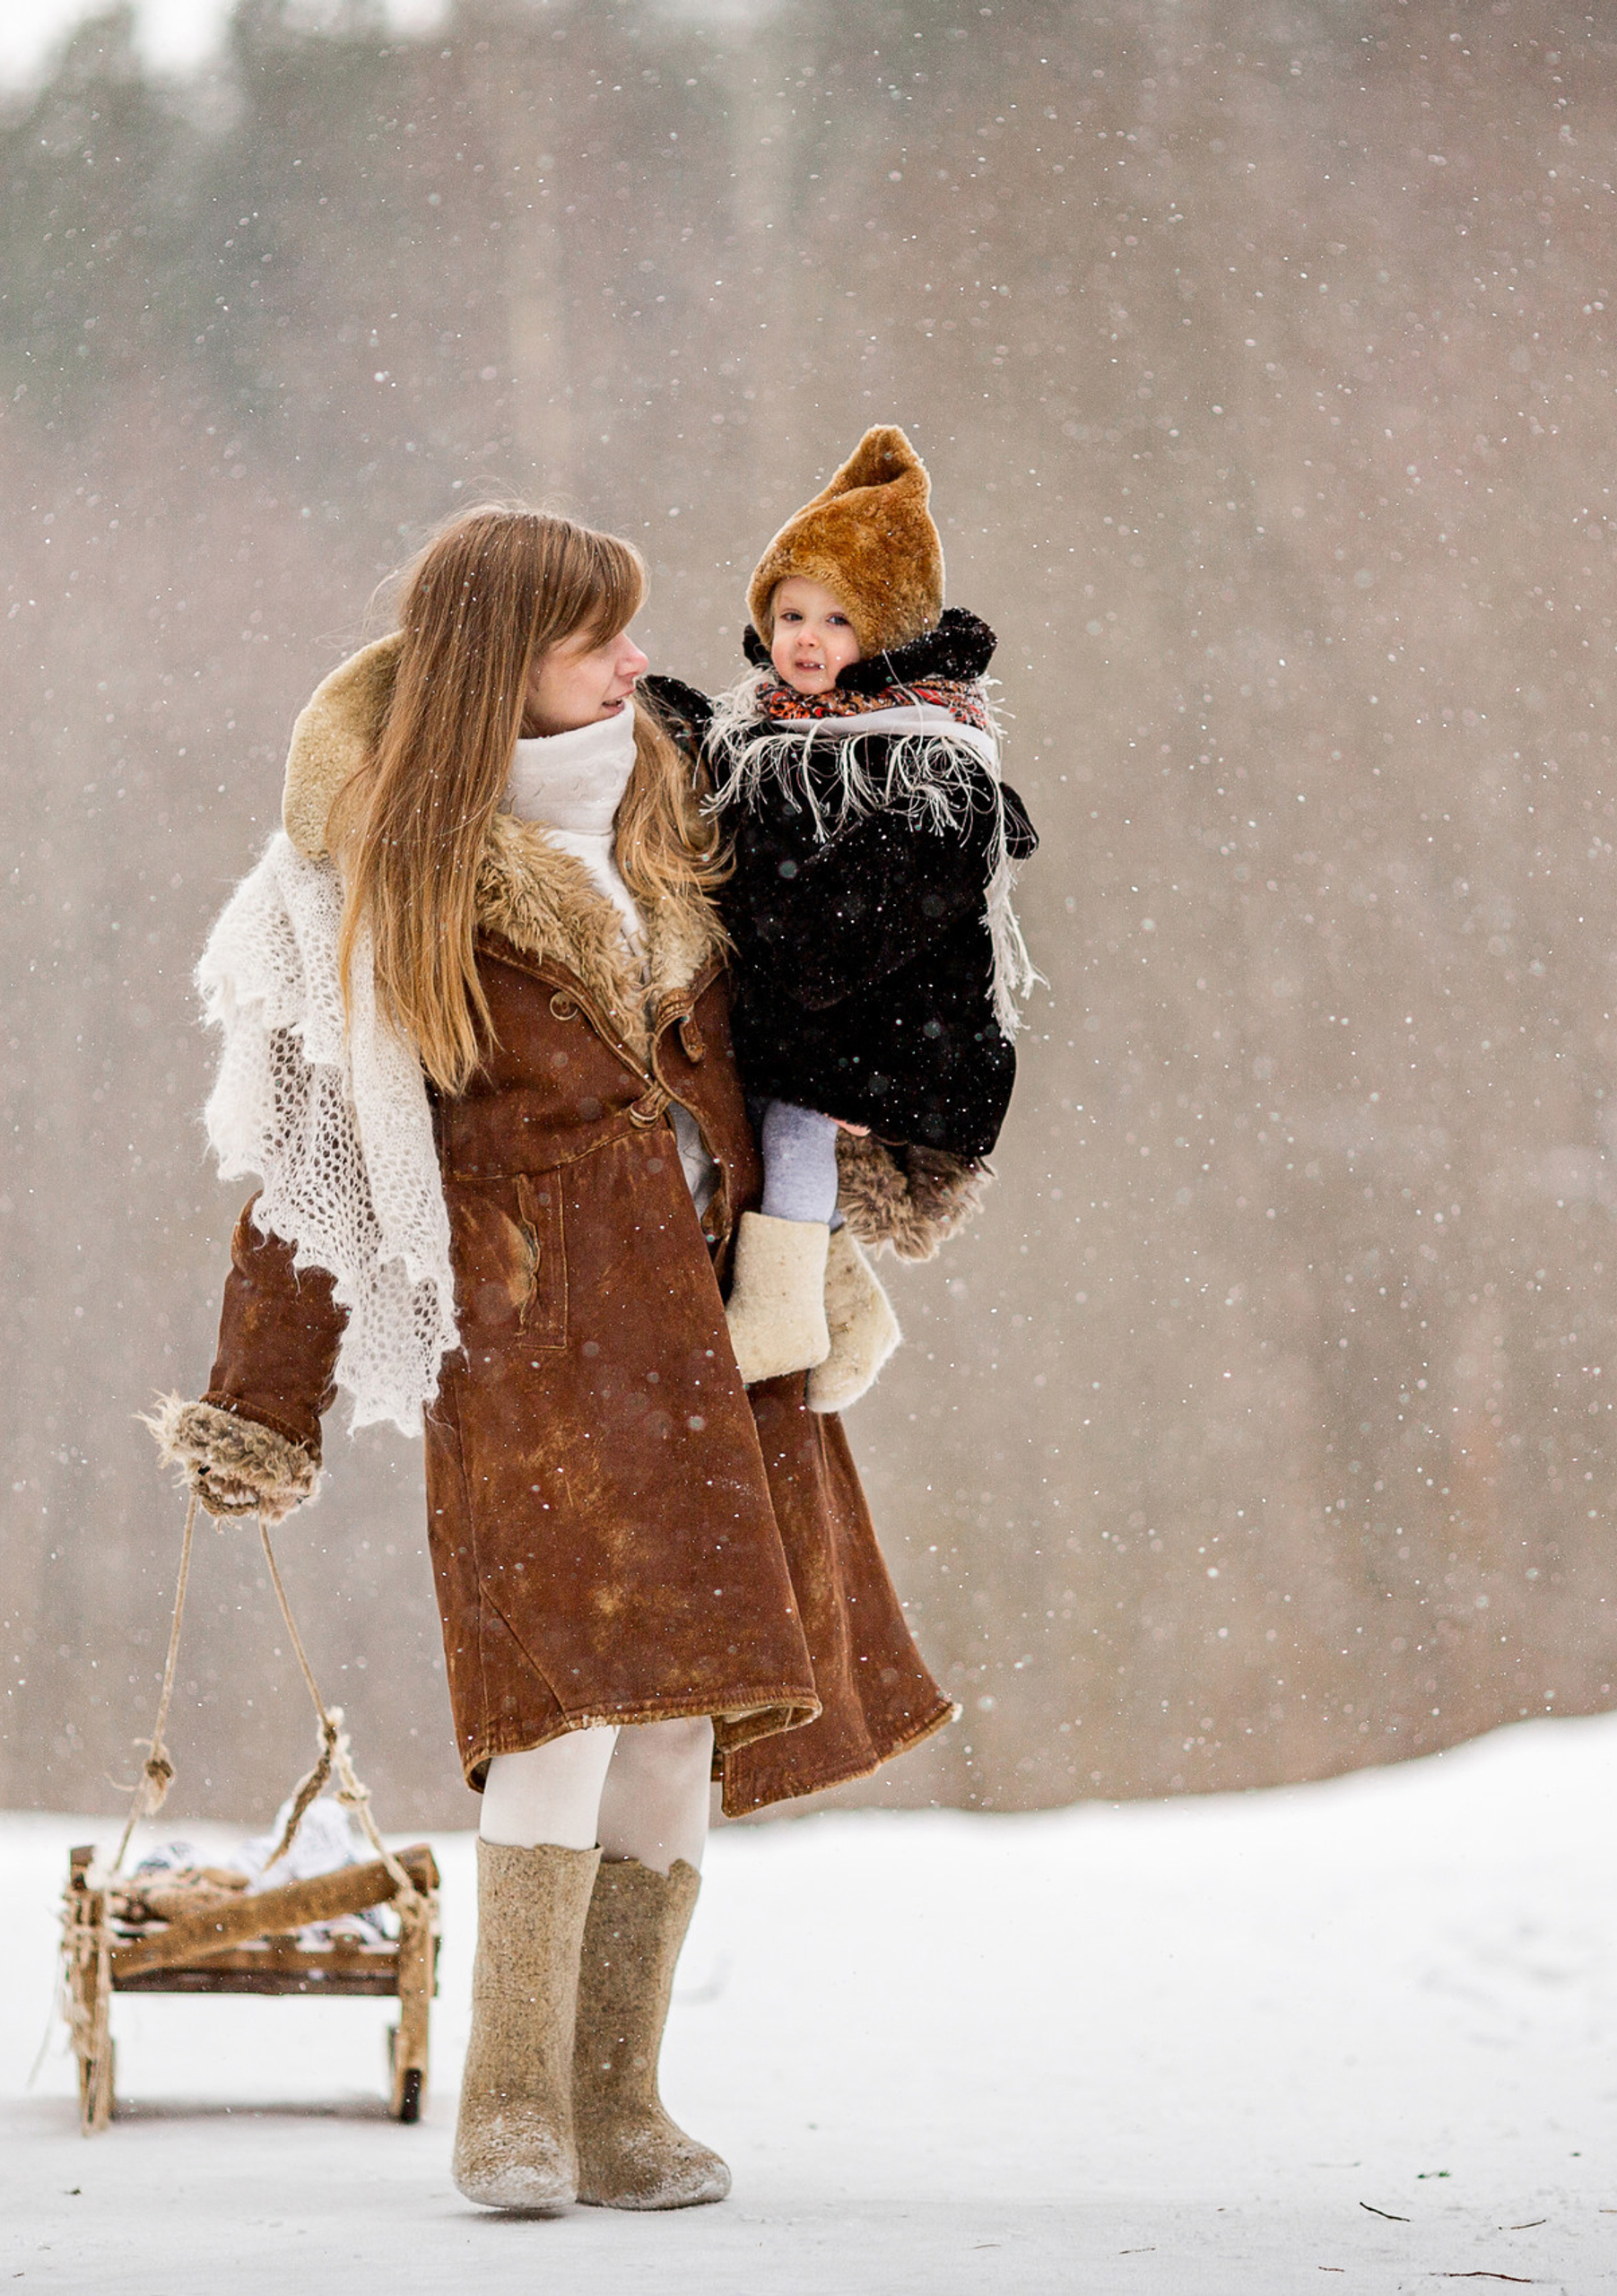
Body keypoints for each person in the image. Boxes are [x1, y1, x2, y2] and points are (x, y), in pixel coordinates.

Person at [148, 506, 959, 2213]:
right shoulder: (380, 873)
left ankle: (620, 2100)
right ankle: (510, 2104)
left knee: (684, 1721)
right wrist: (260, 1404)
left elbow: (814, 1022)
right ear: (499, 663)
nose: (635, 664)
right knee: (562, 1713)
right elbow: (310, 1154)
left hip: (728, 1328)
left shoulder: (695, 813)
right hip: (538, 1341)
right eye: (596, 639)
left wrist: (908, 1119)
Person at [642, 426, 1039, 1403]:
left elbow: (849, 928)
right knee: (770, 1119)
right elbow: (736, 791)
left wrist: (757, 896)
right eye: (788, 614)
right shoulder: (782, 728)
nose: (806, 640)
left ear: (887, 633)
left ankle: (781, 1314)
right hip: (818, 1010)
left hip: (887, 1021)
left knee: (791, 1133)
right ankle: (850, 1315)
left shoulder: (926, 765)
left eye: (836, 619)